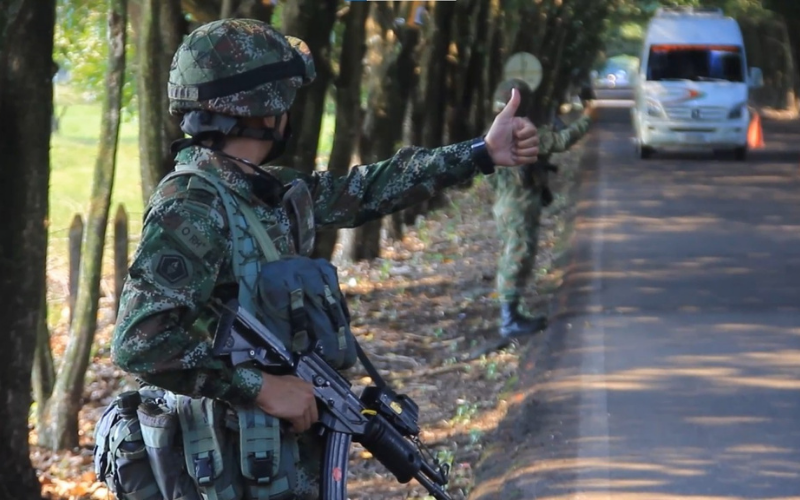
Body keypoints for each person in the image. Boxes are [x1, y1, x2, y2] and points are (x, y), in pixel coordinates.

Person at [109, 18, 539, 499]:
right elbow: (138, 343)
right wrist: (259, 387)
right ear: (267, 108)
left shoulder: (261, 191)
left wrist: (481, 152)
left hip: (275, 461)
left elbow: (369, 189)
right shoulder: (191, 207)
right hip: (230, 466)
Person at [489, 78, 591, 339]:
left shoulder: (493, 131)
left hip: (505, 203)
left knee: (513, 253)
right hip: (520, 205)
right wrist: (589, 118)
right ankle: (509, 320)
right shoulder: (522, 130)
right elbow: (561, 141)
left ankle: (513, 313)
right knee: (517, 256)